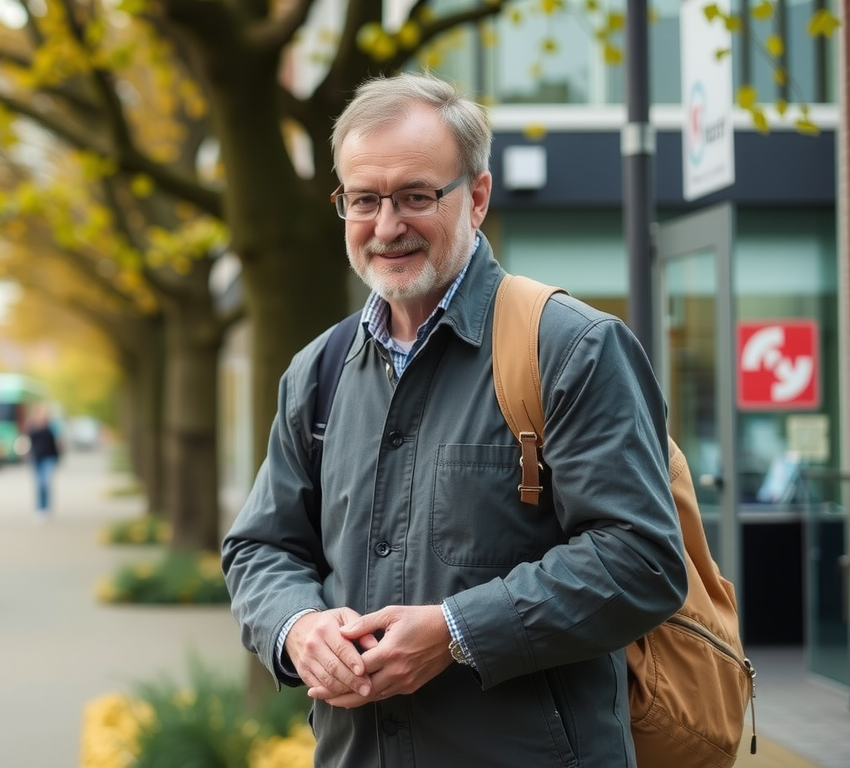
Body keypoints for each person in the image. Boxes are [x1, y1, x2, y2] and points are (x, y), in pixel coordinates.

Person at [220, 72, 688, 767]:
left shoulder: (569, 349)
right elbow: (261, 549)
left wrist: (457, 631)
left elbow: (641, 559)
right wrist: (296, 627)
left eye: (415, 196)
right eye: (364, 199)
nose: (387, 226)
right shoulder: (316, 373)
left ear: (476, 196)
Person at [25, 405, 61, 521]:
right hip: (36, 458)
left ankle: (46, 508)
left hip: (49, 457)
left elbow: (57, 442)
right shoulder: (33, 427)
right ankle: (40, 508)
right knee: (39, 484)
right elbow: (28, 440)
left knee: (46, 482)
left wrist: (58, 457)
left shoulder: (52, 427)